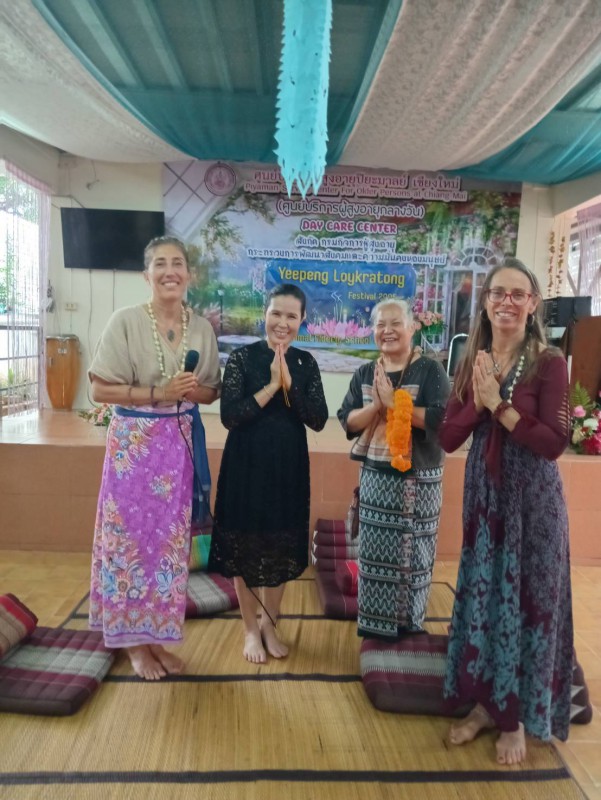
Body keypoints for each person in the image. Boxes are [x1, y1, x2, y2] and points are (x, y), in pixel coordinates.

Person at [438, 257, 573, 766]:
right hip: (486, 501)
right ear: (486, 300)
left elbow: (554, 443)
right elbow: (448, 437)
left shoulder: (548, 362)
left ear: (533, 303)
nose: (507, 302)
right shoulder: (473, 357)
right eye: (498, 293)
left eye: (519, 294)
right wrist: (480, 399)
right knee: (487, 601)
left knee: (528, 606)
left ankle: (514, 719)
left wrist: (499, 405)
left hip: (532, 504)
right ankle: (484, 704)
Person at [88, 235, 221, 680]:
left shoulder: (201, 328)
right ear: (146, 275)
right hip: (134, 445)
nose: (170, 271)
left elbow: (211, 391)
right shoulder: (125, 321)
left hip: (177, 446)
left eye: (177, 263)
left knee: (168, 545)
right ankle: (131, 643)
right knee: (128, 541)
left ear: (189, 275)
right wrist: (158, 392)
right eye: (160, 263)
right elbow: (99, 389)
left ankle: (156, 635)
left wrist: (188, 391)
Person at [209, 284, 328, 664]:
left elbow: (318, 419)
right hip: (245, 466)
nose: (282, 322)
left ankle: (269, 625)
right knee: (245, 549)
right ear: (265, 314)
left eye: (291, 316)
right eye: (276, 313)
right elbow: (231, 416)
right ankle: (249, 629)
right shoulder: (242, 359)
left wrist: (290, 384)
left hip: (287, 469)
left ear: (302, 320)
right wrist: (272, 386)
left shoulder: (306, 363)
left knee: (279, 547)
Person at [337, 298, 450, 640]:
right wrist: (376, 406)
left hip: (420, 479)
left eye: (395, 323)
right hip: (376, 478)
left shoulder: (430, 370)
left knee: (414, 559)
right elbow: (347, 421)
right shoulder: (365, 373)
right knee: (374, 557)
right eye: (380, 325)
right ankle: (375, 628)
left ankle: (409, 628)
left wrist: (395, 405)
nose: (387, 331)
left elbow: (441, 419)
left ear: (412, 327)